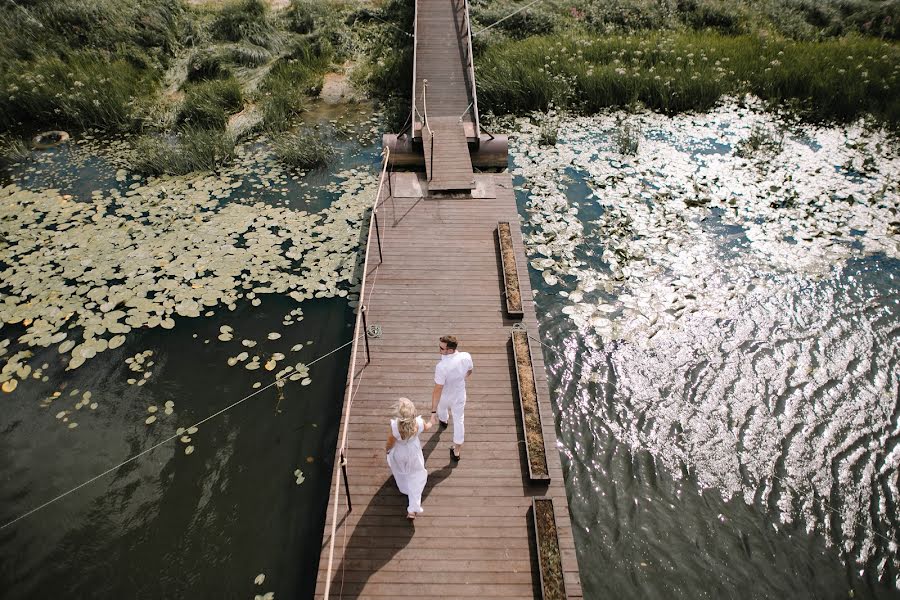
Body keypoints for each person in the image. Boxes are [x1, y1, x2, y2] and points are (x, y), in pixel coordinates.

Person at [385, 397, 432, 520]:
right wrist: (432, 420)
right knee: (416, 474)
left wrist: (388, 450)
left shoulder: (395, 426)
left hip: (400, 453)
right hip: (413, 452)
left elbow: (390, 442)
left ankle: (404, 487)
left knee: (400, 470)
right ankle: (412, 509)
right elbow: (427, 427)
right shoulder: (419, 423)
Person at [429, 335, 473, 462]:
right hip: (459, 394)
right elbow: (470, 371)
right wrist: (460, 379)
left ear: (449, 350)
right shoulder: (466, 356)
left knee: (442, 408)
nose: (439, 350)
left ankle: (443, 420)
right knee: (459, 420)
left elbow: (437, 389)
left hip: (445, 395)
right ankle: (457, 450)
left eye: (441, 348)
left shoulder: (441, 367)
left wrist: (433, 412)